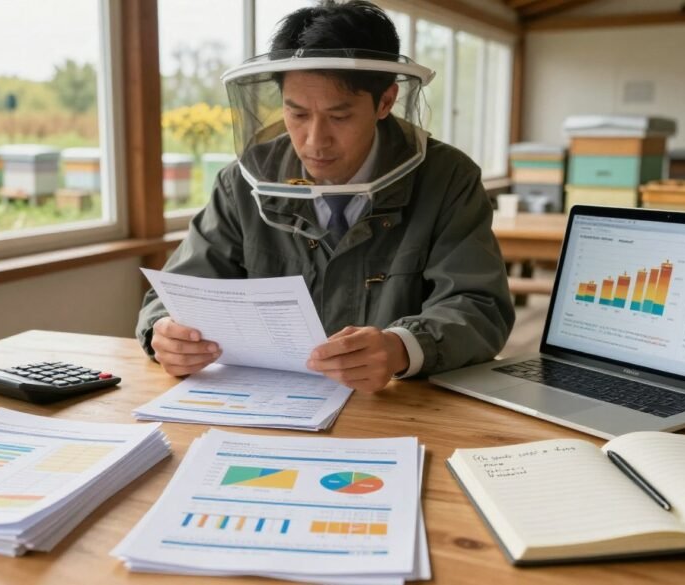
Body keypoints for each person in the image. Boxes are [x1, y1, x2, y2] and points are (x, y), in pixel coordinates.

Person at [136, 0, 514, 392]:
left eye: (340, 116)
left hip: (397, 407)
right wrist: (164, 333)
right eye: (297, 114)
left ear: (385, 101)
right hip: (269, 406)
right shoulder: (242, 183)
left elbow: (480, 307)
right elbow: (174, 293)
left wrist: (402, 347)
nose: (315, 141)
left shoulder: (449, 178)